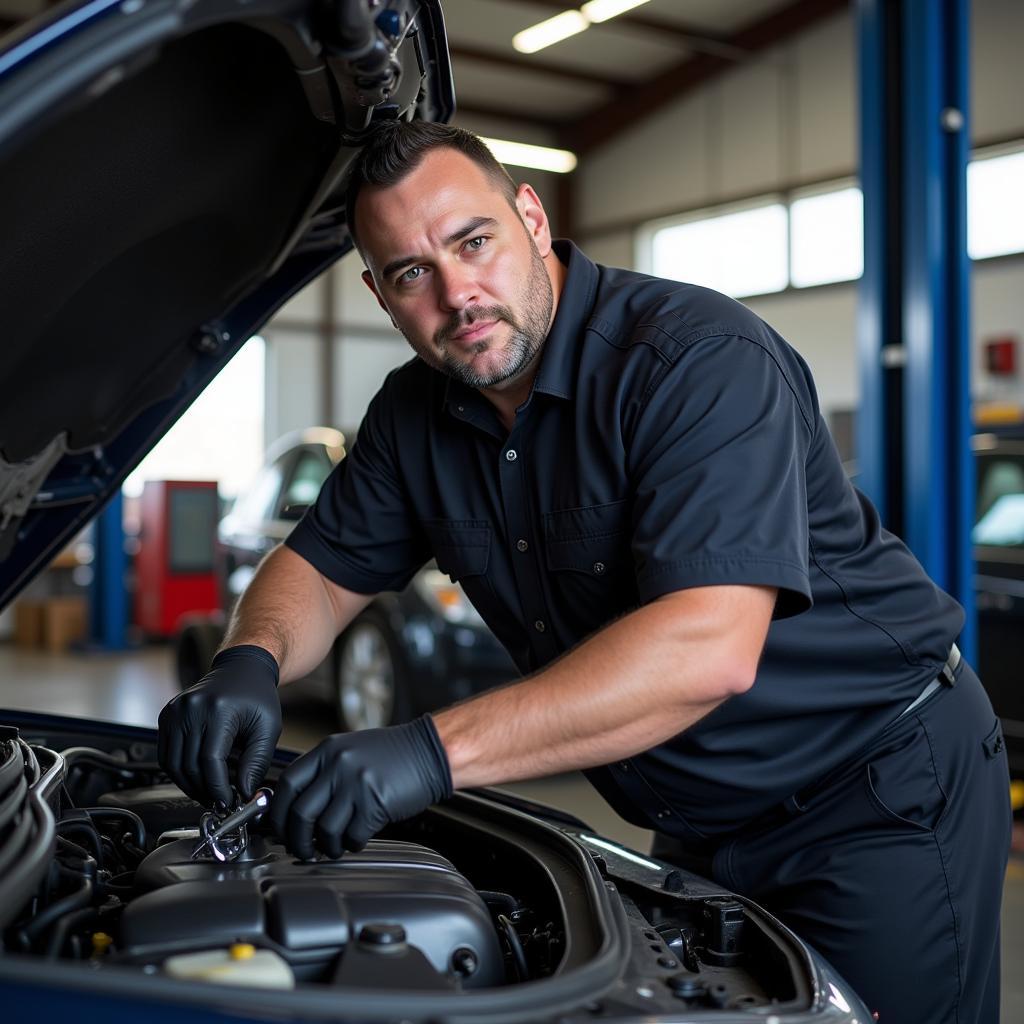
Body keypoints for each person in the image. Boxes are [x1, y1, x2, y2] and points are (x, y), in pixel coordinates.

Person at [158, 121, 1010, 1022]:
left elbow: (708, 649)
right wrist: (249, 658)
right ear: (379, 293)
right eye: (412, 272)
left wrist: (430, 751)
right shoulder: (415, 413)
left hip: (877, 790)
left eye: (472, 241)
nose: (458, 293)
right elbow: (321, 570)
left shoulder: (696, 361)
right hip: (702, 820)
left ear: (530, 216)